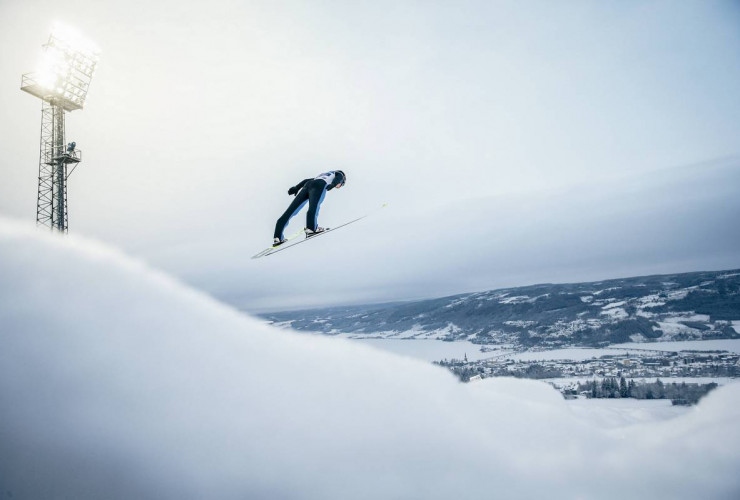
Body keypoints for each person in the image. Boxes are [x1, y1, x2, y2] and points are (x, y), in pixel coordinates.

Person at [273, 170, 346, 246]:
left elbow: (306, 180)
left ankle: (277, 237)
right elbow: (339, 177)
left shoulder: (322, 175)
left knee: (291, 211)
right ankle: (311, 228)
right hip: (319, 185)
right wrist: (333, 184)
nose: (339, 186)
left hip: (308, 185)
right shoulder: (339, 174)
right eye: (341, 185)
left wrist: (296, 188)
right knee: (314, 207)